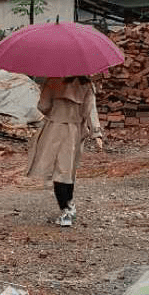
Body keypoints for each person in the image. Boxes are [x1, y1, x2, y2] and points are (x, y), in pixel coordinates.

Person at [27, 75, 103, 227]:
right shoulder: (86, 85)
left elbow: (43, 106)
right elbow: (90, 111)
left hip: (54, 129)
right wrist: (96, 134)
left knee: (58, 171)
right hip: (74, 131)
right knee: (67, 170)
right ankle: (69, 206)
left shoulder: (53, 81)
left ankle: (66, 209)